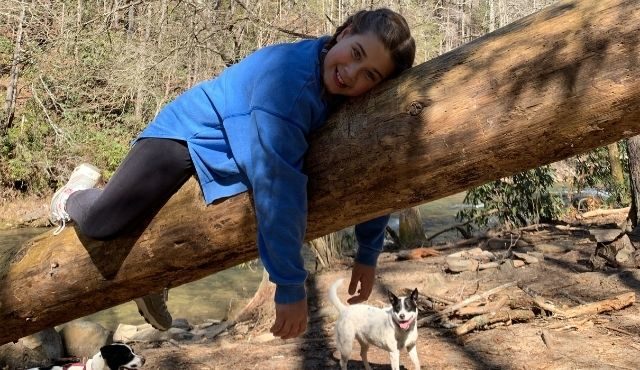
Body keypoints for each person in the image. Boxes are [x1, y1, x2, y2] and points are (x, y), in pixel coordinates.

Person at [50, 8, 416, 338]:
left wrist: (368, 253)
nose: (351, 74)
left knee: (185, 230)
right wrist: (289, 285)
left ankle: (154, 278)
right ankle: (74, 194)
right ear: (345, 31)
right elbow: (277, 186)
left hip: (232, 148)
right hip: (187, 135)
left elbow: (368, 167)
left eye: (370, 74)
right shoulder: (288, 84)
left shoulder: (341, 93)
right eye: (355, 53)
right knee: (103, 224)